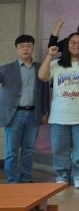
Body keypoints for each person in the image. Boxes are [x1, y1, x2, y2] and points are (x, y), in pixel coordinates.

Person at [38, 33, 79, 188]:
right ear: (67, 45)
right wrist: (49, 55)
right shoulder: (57, 63)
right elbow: (42, 76)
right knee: (60, 148)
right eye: (72, 42)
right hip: (59, 115)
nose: (76, 45)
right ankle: (62, 175)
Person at [0, 35, 50, 183]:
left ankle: (26, 178)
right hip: (14, 115)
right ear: (16, 49)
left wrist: (45, 112)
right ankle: (13, 179)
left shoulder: (40, 68)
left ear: (33, 48)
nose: (25, 49)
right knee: (12, 151)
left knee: (29, 149)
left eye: (28, 46)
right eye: (22, 46)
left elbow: (45, 93)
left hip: (33, 114)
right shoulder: (6, 69)